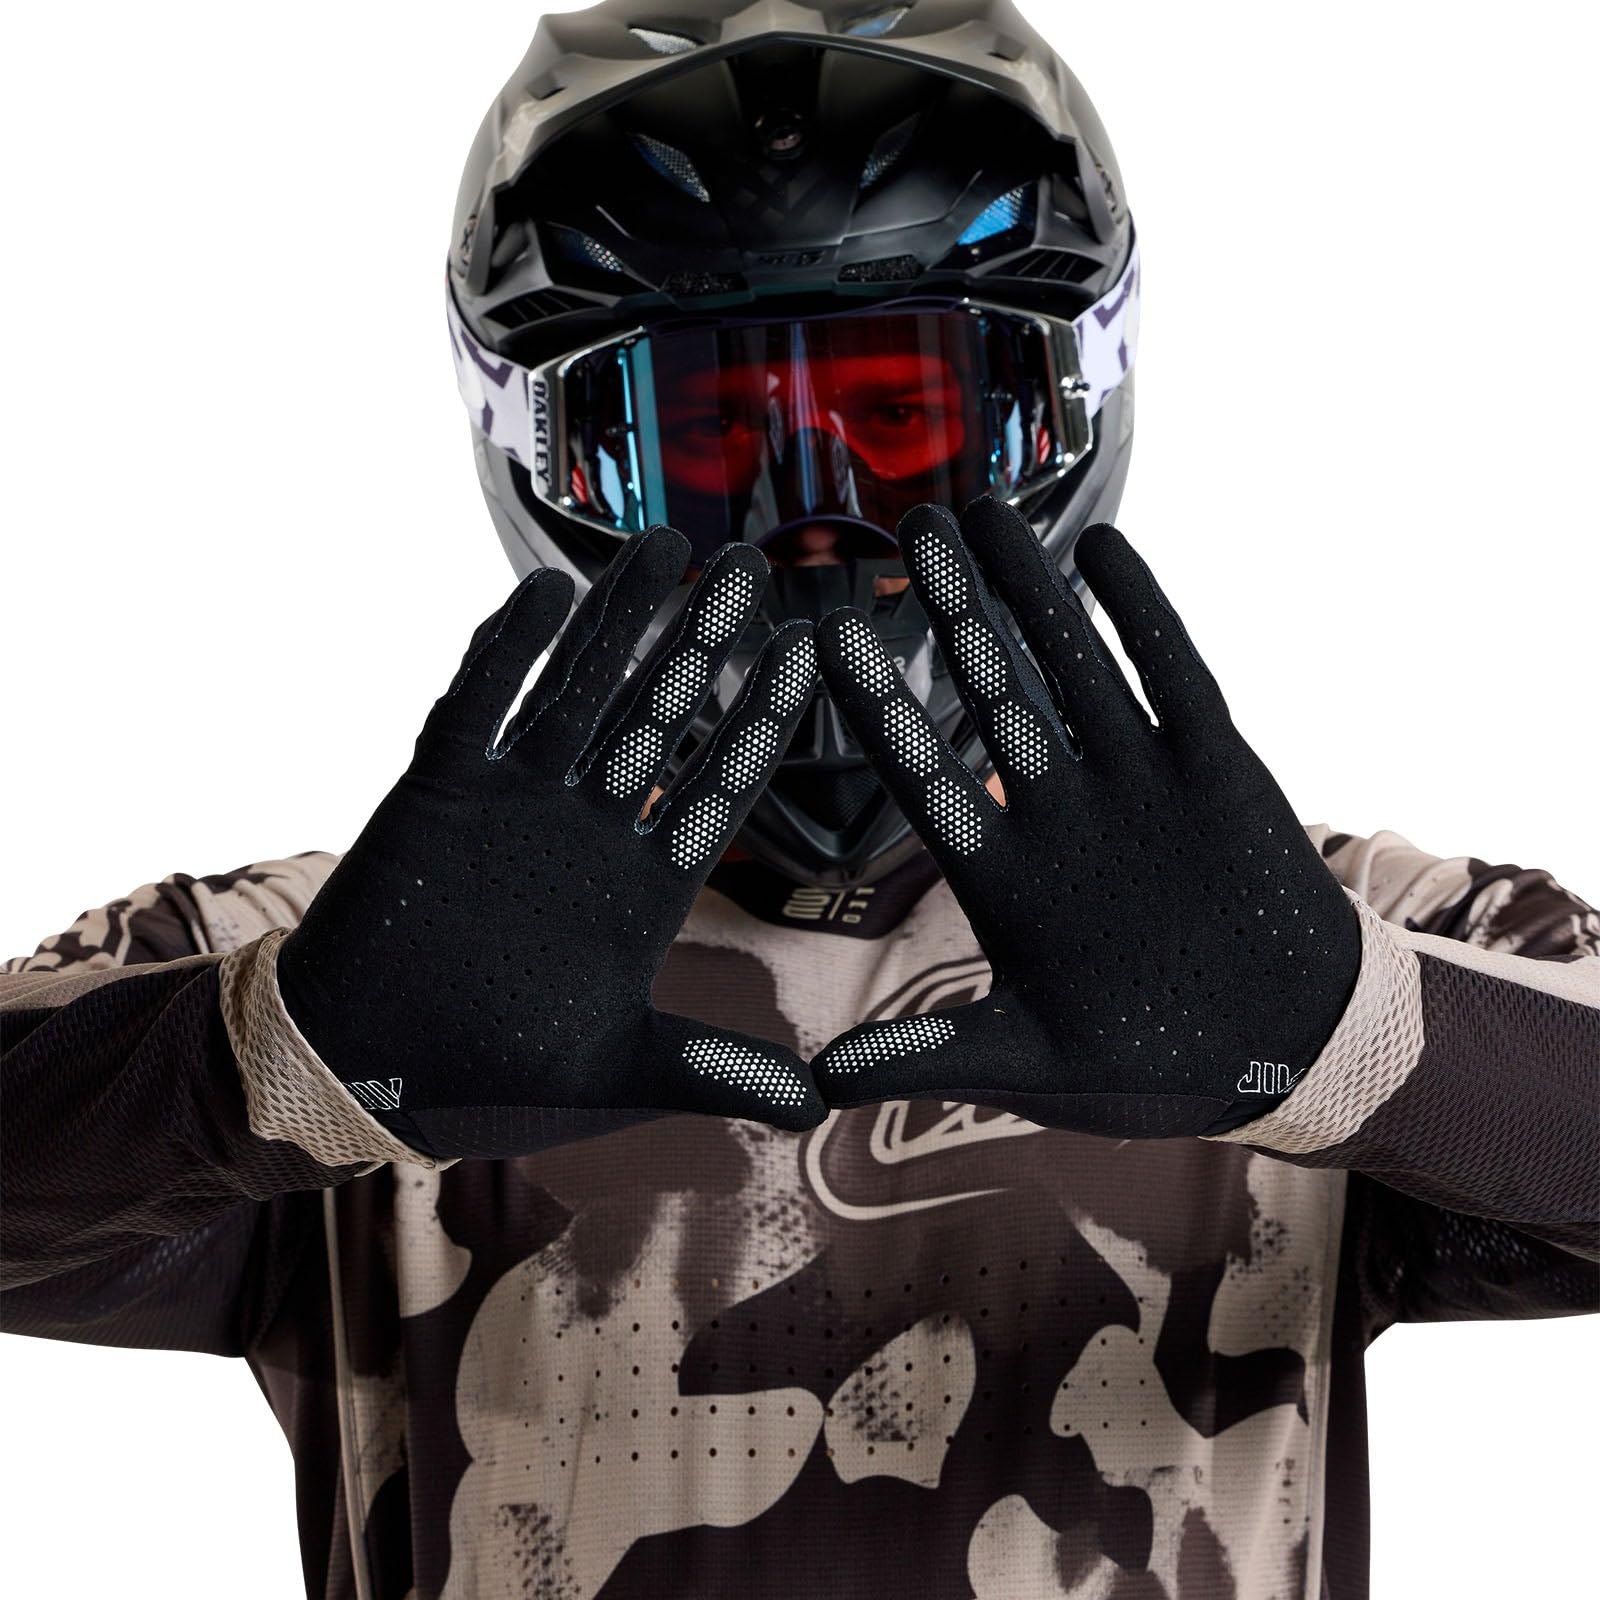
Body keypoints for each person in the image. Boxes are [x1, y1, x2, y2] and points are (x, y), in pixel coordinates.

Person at [2, 4, 1595, 1598]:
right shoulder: (322, 956)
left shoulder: (1337, 932)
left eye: (899, 416)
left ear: (1061, 404)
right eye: (712, 435)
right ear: (546, 453)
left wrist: (1345, 1033)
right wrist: (275, 1060)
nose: (814, 518)